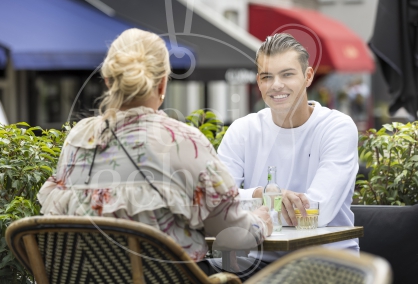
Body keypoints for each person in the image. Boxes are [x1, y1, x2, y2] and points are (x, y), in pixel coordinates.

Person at [37, 28, 272, 276]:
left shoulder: (78, 138)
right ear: (162, 83)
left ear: (108, 82)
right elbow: (232, 236)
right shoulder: (184, 141)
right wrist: (259, 223)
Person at [218, 33, 359, 263]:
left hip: (325, 263)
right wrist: (260, 194)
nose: (276, 85)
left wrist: (244, 206)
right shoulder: (242, 129)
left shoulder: (337, 127)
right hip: (256, 261)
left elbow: (314, 213)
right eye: (267, 77)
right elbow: (214, 204)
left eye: (287, 74)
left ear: (308, 76)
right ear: (259, 82)